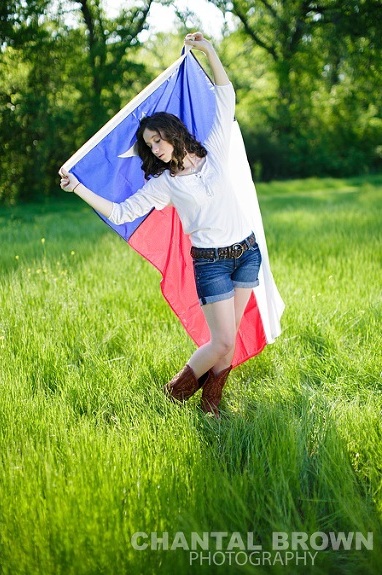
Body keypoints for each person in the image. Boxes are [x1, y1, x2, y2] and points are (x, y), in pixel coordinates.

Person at [59, 32, 262, 417]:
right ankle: (172, 394)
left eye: (156, 141)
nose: (154, 149)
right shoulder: (164, 184)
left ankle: (212, 405)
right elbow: (120, 212)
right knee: (220, 342)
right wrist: (79, 188)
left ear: (172, 133)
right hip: (212, 263)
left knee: (229, 339)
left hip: (246, 254)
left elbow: (225, 94)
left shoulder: (213, 152)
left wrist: (209, 51)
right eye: (149, 145)